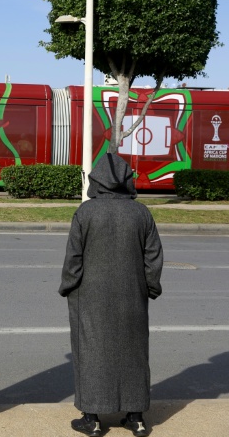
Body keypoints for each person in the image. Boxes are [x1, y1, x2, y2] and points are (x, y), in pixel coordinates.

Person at [59, 153, 163, 437]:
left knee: (91, 351)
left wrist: (67, 285)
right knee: (134, 353)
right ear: (127, 180)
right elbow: (152, 257)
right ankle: (136, 418)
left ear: (98, 180)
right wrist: (150, 288)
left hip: (90, 296)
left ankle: (91, 418)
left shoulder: (86, 212)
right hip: (132, 295)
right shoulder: (141, 213)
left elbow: (74, 258)